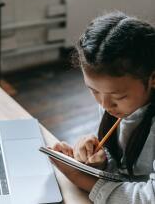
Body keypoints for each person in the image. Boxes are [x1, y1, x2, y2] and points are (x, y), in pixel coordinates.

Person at [51, 11, 155, 204]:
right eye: (94, 91)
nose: (105, 105)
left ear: (153, 79)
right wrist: (102, 161)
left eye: (119, 96)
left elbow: (149, 197)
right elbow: (125, 169)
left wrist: (82, 179)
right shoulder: (115, 103)